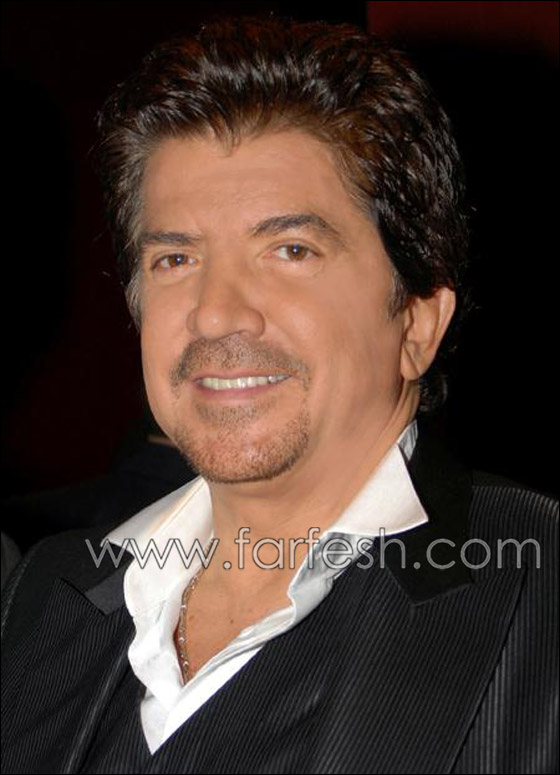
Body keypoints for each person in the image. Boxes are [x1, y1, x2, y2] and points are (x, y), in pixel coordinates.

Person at [1, 15, 557, 774]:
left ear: (418, 322)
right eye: (175, 259)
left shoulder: (537, 592)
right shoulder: (46, 592)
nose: (215, 313)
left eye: (290, 250)